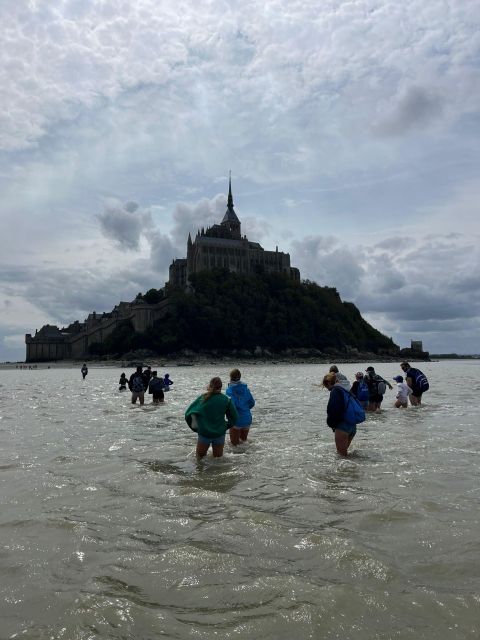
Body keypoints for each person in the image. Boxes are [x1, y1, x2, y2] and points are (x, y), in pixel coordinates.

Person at [185, 377, 239, 458]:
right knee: (218, 460)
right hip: (219, 433)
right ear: (221, 387)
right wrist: (225, 426)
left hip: (204, 433)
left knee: (199, 459)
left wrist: (196, 428)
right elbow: (234, 417)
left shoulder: (203, 398)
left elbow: (188, 414)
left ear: (210, 385)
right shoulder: (226, 400)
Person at [322, 372, 364, 456]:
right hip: (352, 426)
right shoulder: (347, 389)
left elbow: (333, 409)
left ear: (329, 382)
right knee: (345, 455)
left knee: (341, 457)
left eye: (326, 386)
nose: (327, 389)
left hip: (342, 427)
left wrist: (331, 424)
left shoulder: (336, 390)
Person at [225, 368, 255, 445]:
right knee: (243, 443)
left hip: (236, 420)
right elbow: (252, 403)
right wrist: (244, 409)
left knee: (234, 445)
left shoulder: (229, 390)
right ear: (240, 377)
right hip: (247, 418)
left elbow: (231, 406)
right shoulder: (246, 389)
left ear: (230, 377)